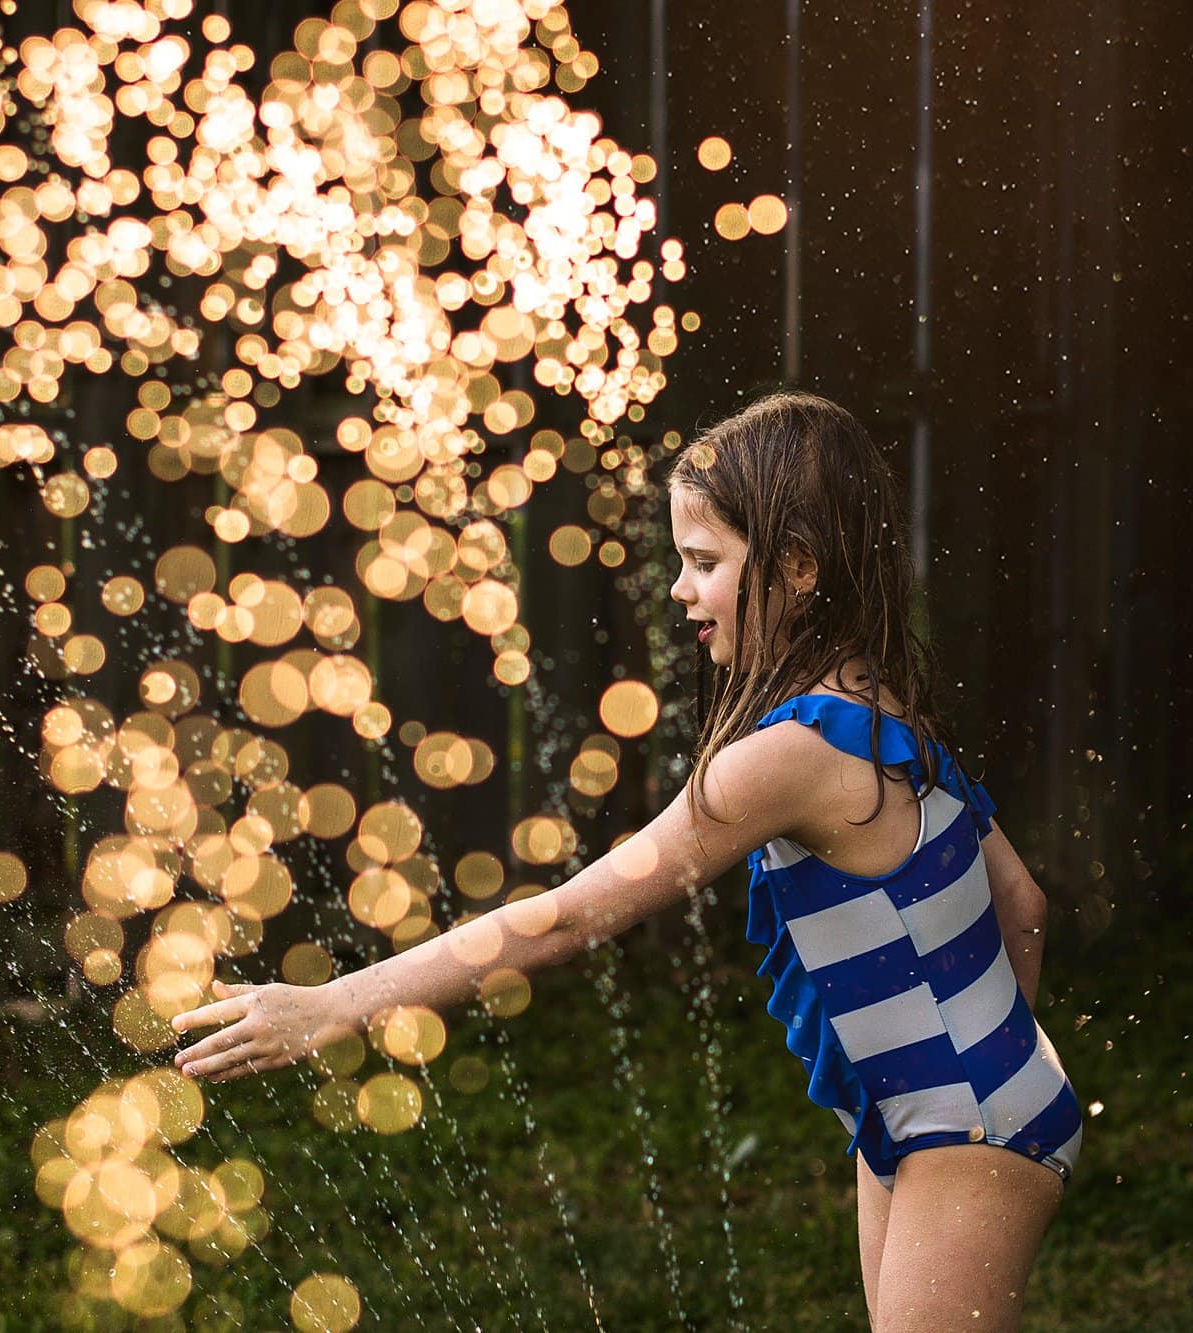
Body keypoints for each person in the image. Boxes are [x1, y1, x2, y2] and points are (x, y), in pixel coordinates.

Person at [169, 392, 1082, 1332]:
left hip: (961, 1125)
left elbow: (567, 917)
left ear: (799, 566)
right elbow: (1024, 902)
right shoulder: (879, 709)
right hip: (943, 1110)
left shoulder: (789, 756)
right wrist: (981, 1063)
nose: (682, 589)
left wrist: (336, 1004)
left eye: (705, 563)